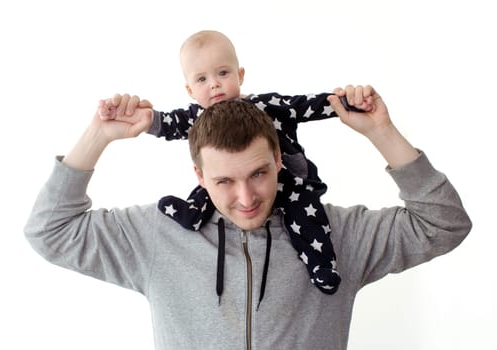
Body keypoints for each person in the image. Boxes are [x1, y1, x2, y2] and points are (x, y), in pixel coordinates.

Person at [24, 86, 472, 349]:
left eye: (258, 173)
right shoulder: (160, 235)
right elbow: (50, 231)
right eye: (224, 182)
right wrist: (97, 136)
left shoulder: (336, 236)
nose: (245, 198)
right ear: (198, 174)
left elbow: (444, 223)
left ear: (279, 158)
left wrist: (381, 132)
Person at [100, 30, 372, 293]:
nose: (214, 84)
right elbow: (168, 123)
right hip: (230, 187)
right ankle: (193, 214)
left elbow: (305, 105)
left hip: (287, 182)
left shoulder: (269, 105)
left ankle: (322, 264)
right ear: (190, 90)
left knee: (307, 215)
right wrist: (146, 120)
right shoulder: (197, 116)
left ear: (240, 75)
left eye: (222, 73)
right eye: (202, 79)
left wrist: (347, 102)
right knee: (211, 188)